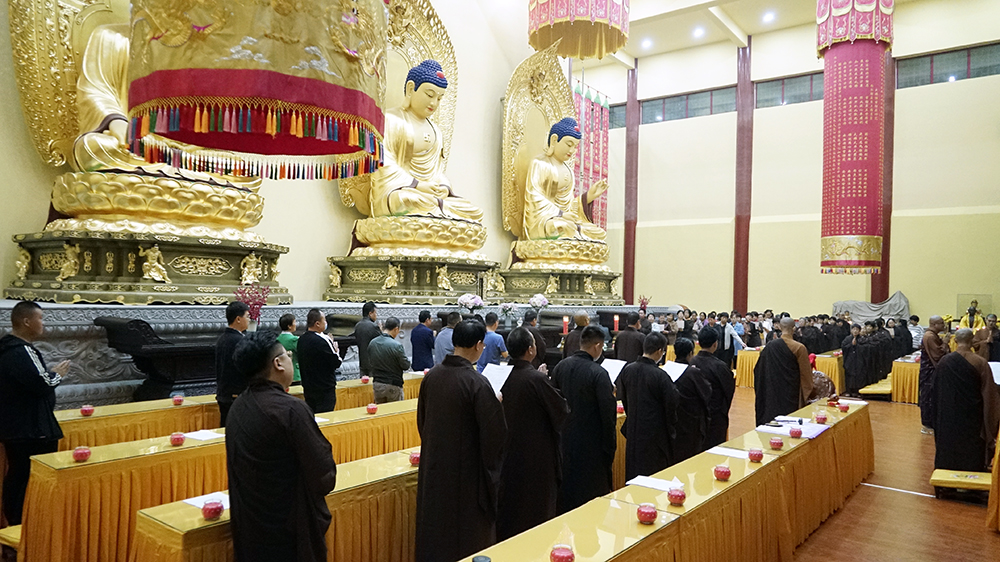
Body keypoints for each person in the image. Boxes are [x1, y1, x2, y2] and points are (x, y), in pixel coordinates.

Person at [226, 331, 338, 562]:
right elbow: (324, 475)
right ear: (278, 364)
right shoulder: (290, 410)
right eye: (287, 355)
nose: (290, 360)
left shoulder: (238, 407)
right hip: (288, 528)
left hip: (251, 525)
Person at [415, 320, 507, 562]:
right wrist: (496, 405)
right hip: (467, 476)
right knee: (465, 537)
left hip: (435, 469)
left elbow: (422, 422)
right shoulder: (476, 382)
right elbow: (494, 435)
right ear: (479, 345)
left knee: (436, 533)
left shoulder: (432, 377)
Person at [495, 327, 569, 541]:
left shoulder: (501, 374)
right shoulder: (535, 379)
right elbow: (561, 411)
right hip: (536, 455)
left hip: (507, 450)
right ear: (530, 350)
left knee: (510, 506)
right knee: (536, 508)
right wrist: (543, 380)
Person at [0, 301, 70, 526]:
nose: (43, 323)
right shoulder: (21, 350)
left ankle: (18, 523)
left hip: (18, 424)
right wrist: (57, 374)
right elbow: (41, 384)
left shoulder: (8, 348)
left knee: (19, 476)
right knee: (26, 478)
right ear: (27, 321)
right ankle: (23, 524)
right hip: (31, 428)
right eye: (40, 318)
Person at [550, 325, 617, 514]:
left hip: (564, 440)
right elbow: (608, 413)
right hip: (591, 444)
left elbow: (553, 402)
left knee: (566, 497)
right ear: (597, 346)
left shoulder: (560, 367)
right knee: (591, 501)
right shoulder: (598, 373)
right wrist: (609, 447)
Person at [933, 329, 1000, 472]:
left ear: (955, 341)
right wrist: (990, 425)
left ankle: (946, 470)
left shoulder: (944, 362)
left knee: (949, 446)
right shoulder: (980, 362)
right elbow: (989, 394)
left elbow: (936, 392)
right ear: (972, 341)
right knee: (971, 449)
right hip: (972, 418)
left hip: (948, 416)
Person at [616, 332, 678, 481]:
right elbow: (672, 403)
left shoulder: (628, 370)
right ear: (659, 351)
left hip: (633, 428)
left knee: (633, 471)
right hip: (654, 433)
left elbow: (623, 397)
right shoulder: (660, 375)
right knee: (653, 474)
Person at [754, 317, 814, 425]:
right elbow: (806, 376)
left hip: (772, 394)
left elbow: (758, 370)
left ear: (780, 328)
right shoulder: (799, 348)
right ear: (794, 329)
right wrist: (806, 397)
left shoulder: (769, 347)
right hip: (791, 395)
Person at [690, 327, 735, 448]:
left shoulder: (690, 363)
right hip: (715, 417)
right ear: (715, 344)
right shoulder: (720, 367)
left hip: (693, 417)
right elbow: (729, 391)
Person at [671, 337, 713, 463]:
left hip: (673, 420)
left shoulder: (667, 369)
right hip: (690, 422)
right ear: (690, 353)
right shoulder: (693, 373)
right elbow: (707, 392)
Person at [297, 309, 342, 414]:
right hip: (324, 389)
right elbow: (336, 363)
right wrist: (336, 350)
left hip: (308, 388)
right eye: (324, 320)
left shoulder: (301, 339)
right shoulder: (322, 340)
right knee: (325, 418)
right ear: (317, 323)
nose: (326, 323)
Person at [216, 301, 250, 427]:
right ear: (238, 319)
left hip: (224, 394)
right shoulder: (240, 341)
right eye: (247, 316)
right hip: (236, 395)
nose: (249, 319)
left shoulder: (222, 339)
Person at [368, 317, 411, 404]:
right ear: (396, 329)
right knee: (395, 413)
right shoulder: (396, 345)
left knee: (381, 413)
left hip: (377, 383)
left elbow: (370, 362)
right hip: (393, 384)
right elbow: (405, 365)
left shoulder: (372, 343)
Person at [919, 316, 950, 435]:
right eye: (941, 323)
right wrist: (945, 343)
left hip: (931, 372)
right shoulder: (930, 336)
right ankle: (927, 425)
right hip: (929, 373)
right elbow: (937, 355)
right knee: (928, 397)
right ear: (934, 324)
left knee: (933, 396)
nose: (944, 325)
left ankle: (933, 422)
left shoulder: (933, 335)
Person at [353, 302, 381, 378]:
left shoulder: (358, 325)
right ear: (370, 313)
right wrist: (381, 330)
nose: (376, 315)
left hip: (362, 361)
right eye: (375, 313)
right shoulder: (374, 326)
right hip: (373, 363)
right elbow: (381, 341)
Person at [841, 324, 866, 396]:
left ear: (859, 331)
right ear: (851, 330)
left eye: (857, 329)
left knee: (859, 375)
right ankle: (849, 391)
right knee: (849, 375)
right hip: (849, 360)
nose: (855, 331)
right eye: (853, 329)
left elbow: (864, 348)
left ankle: (858, 391)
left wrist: (857, 346)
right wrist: (851, 345)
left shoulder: (862, 339)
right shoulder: (847, 339)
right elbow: (843, 347)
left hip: (859, 360)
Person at [276, 313, 301, 384]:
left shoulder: (278, 338)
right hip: (294, 373)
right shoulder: (293, 339)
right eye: (294, 322)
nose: (296, 324)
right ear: (289, 326)